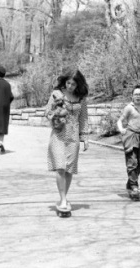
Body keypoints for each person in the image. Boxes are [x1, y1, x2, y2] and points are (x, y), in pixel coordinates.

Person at [45, 69, 89, 210]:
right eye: (68, 83)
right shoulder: (56, 94)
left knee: (69, 169)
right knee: (60, 167)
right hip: (58, 134)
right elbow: (47, 112)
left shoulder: (81, 98)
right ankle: (63, 200)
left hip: (73, 136)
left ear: (78, 85)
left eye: (73, 84)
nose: (70, 86)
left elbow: (83, 118)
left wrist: (85, 138)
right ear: (65, 82)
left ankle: (63, 197)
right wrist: (55, 113)